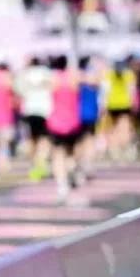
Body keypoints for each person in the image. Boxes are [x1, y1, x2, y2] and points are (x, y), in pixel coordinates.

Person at [46, 55, 83, 204]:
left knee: (58, 154)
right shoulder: (74, 78)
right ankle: (72, 170)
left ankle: (62, 184)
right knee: (71, 152)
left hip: (56, 122)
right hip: (73, 121)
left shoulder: (53, 79)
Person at [16, 57, 53, 180]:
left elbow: (19, 90)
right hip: (45, 111)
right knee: (44, 139)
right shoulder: (47, 73)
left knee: (32, 139)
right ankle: (41, 164)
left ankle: (34, 165)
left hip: (30, 110)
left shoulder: (25, 74)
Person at [105, 57, 137, 162]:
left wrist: (104, 105)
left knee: (114, 128)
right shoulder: (129, 75)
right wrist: (133, 104)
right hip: (124, 104)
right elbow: (132, 91)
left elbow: (106, 91)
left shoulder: (109, 75)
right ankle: (123, 149)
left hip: (112, 104)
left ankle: (115, 150)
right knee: (124, 128)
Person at [76, 56, 102, 181]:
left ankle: (80, 166)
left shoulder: (76, 78)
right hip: (91, 114)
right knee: (90, 141)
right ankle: (88, 166)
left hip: (78, 114)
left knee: (80, 142)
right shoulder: (94, 78)